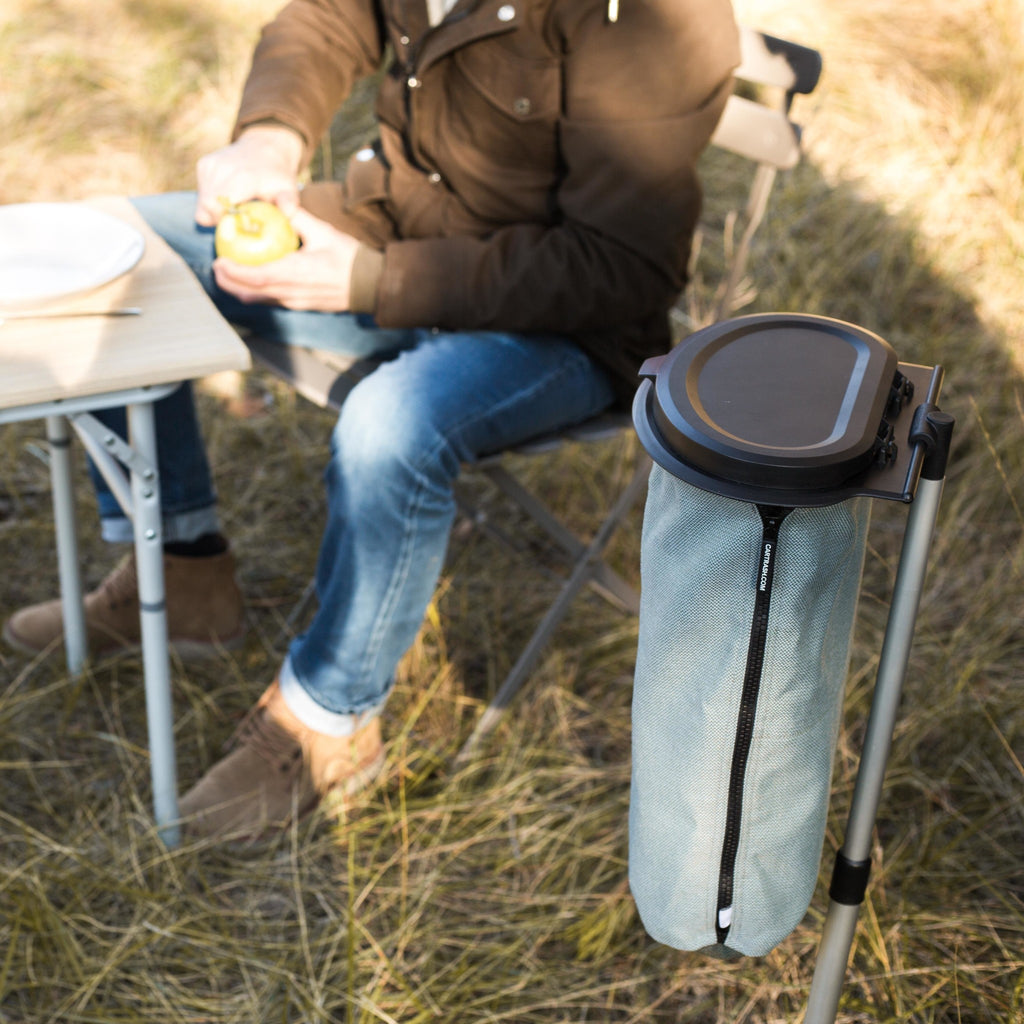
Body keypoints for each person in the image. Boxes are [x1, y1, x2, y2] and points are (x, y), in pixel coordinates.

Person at [3, 0, 740, 839]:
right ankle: (181, 570)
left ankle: (329, 722)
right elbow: (328, 18)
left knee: (390, 425)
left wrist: (372, 282)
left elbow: (623, 269)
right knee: (120, 246)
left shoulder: (648, 15)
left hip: (560, 326)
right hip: (393, 227)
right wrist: (269, 134)